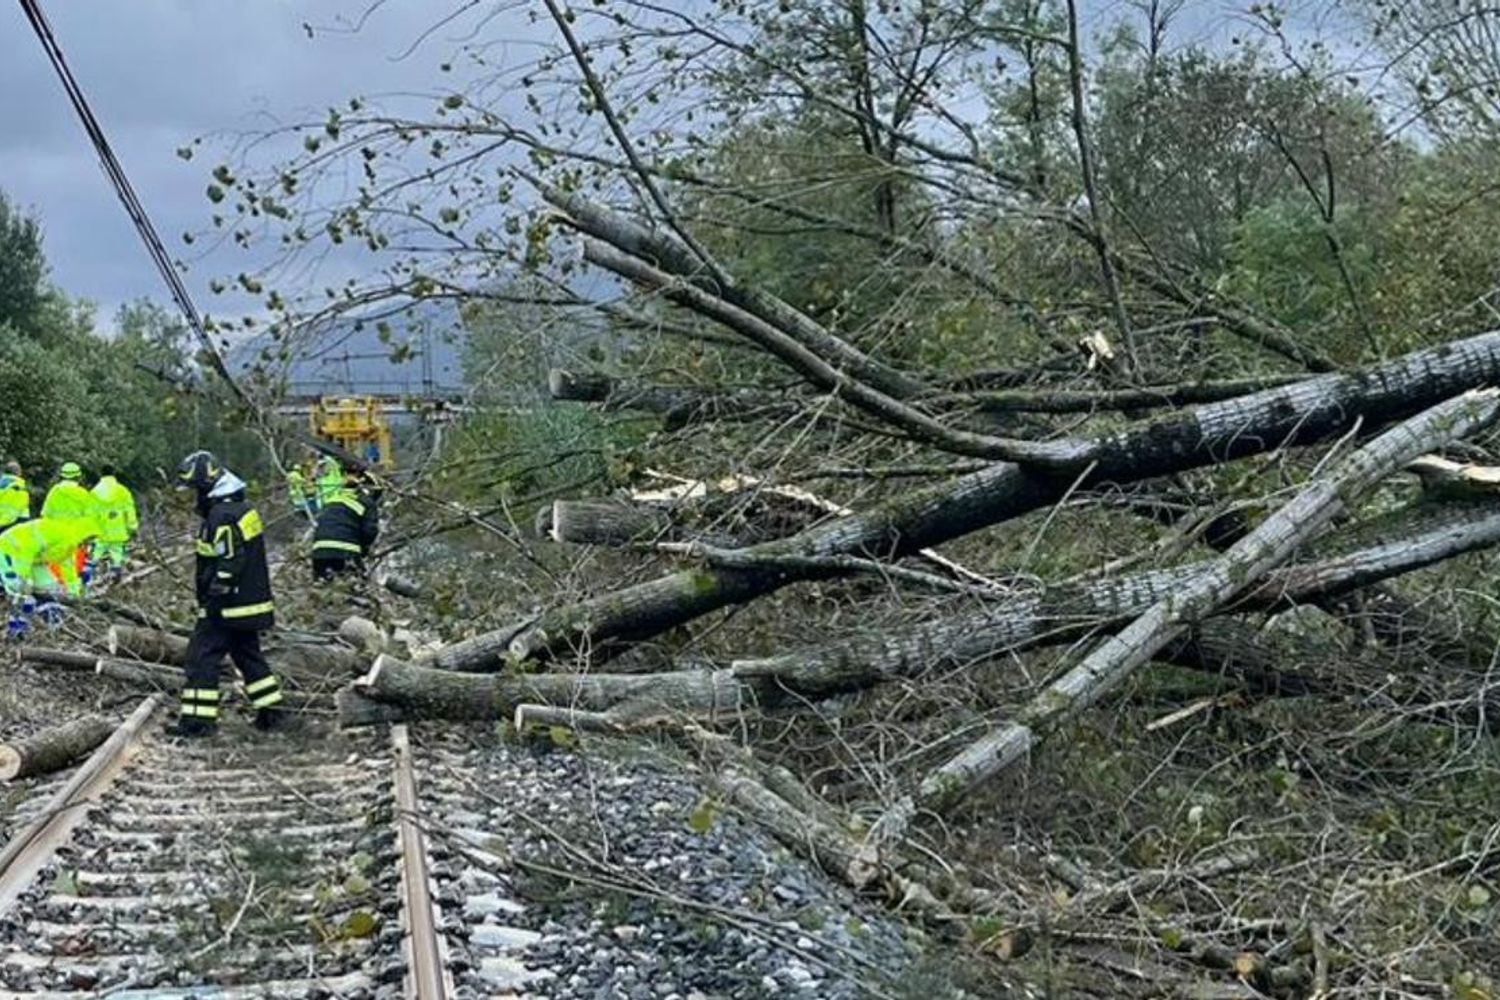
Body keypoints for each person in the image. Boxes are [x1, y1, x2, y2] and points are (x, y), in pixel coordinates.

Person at [172, 450, 285, 738]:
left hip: (227, 605)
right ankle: (272, 714)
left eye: (195, 490)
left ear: (206, 486)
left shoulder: (221, 516)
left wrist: (215, 594)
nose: (193, 497)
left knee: (200, 658)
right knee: (248, 657)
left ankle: (197, 723)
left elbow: (230, 558)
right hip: (250, 602)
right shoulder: (241, 508)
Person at [1, 516, 101, 638]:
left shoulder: (70, 545)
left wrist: (75, 593)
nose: (88, 544)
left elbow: (68, 569)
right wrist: (23, 575)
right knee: (20, 589)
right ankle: (17, 627)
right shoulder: (58, 533)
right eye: (89, 539)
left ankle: (51, 619)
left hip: (35, 560)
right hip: (10, 550)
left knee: (51, 588)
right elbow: (28, 546)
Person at [311, 474, 380, 580]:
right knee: (356, 583)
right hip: (346, 550)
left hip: (319, 551)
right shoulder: (367, 502)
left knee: (323, 584)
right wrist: (364, 549)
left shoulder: (332, 499)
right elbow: (369, 531)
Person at [42, 462, 98, 581]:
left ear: (62, 476)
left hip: (56, 537)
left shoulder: (54, 492)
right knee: (74, 571)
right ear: (78, 477)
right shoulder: (83, 494)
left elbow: (45, 515)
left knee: (56, 572)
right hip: (76, 538)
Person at [90, 465, 138, 579]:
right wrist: (133, 527)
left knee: (97, 551)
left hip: (101, 531)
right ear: (114, 474)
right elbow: (130, 510)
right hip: (118, 530)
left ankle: (91, 574)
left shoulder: (94, 492)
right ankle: (116, 572)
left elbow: (90, 514)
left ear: (101, 474)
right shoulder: (122, 491)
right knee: (117, 551)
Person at [0, 462, 29, 530]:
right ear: (19, 473)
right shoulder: (20, 488)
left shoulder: (2, 485)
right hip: (15, 525)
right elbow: (17, 509)